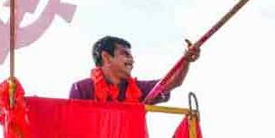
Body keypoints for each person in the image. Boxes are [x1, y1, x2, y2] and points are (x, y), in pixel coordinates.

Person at [68, 36, 199, 104]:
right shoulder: (81, 89)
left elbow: (172, 82)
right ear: (106, 57)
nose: (131, 59)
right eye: (125, 54)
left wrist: (186, 60)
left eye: (131, 55)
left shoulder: (138, 89)